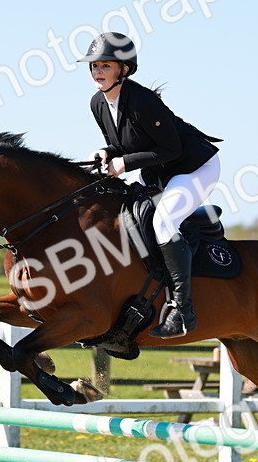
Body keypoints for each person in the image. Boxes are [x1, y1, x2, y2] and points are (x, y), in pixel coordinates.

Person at [80, 32, 222, 338]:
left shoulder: (142, 100)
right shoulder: (98, 103)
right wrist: (106, 153)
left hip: (193, 167)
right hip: (157, 171)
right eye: (94, 66)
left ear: (124, 70)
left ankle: (183, 311)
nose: (97, 72)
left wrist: (126, 163)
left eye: (105, 65)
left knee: (163, 221)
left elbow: (171, 149)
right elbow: (121, 144)